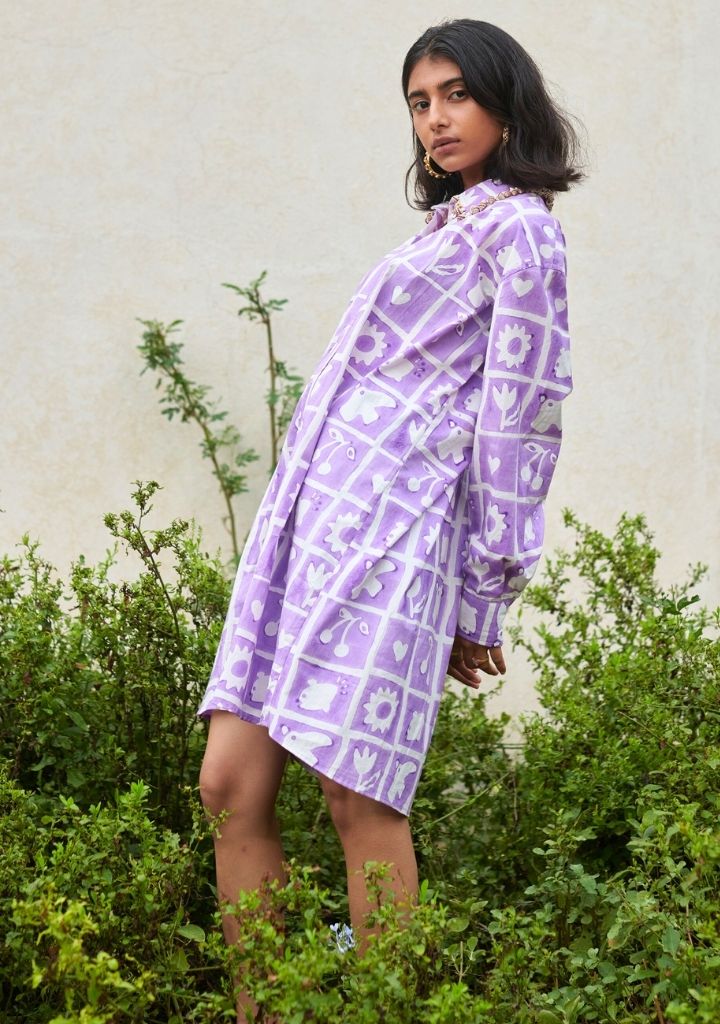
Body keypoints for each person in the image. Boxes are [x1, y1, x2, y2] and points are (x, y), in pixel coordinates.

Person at [198, 16, 584, 1020]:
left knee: (356, 794)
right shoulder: (446, 230)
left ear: (507, 103)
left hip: (390, 539)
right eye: (420, 102)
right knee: (228, 785)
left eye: (456, 94)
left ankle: (388, 1009)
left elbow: (521, 420)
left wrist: (483, 593)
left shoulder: (524, 231)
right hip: (305, 528)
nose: (436, 119)